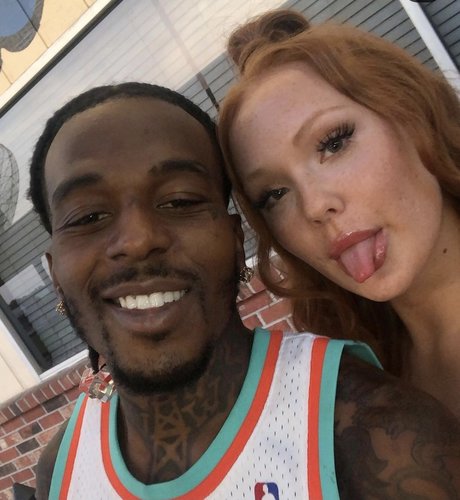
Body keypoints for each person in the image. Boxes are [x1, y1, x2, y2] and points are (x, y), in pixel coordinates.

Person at [30, 82, 460, 499]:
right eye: (87, 217)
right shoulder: (61, 468)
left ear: (237, 243)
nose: (138, 240)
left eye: (180, 201)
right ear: (55, 275)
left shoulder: (379, 438)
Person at [218, 9, 460, 419]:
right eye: (275, 194)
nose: (315, 206)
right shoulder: (356, 388)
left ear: (415, 115)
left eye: (334, 143)